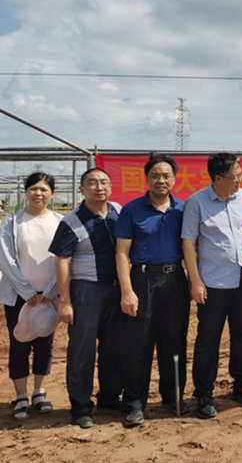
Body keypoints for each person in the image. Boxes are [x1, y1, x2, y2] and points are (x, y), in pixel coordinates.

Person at [182, 153, 242, 419]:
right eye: (235, 176)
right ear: (218, 178)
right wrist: (196, 281)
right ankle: (204, 394)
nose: (240, 180)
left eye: (240, 175)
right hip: (213, 283)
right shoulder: (196, 202)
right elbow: (188, 245)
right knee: (208, 339)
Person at [116, 154, 189, 427]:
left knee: (175, 341)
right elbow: (121, 253)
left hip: (175, 279)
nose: (161, 180)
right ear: (146, 179)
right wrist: (127, 290)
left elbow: (191, 247)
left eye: (166, 175)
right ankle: (135, 403)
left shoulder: (183, 209)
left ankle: (173, 397)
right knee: (139, 343)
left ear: (174, 179)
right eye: (155, 175)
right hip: (142, 280)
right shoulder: (132, 210)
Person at [49, 168, 125, 429]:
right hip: (86, 290)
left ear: (111, 187)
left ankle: (110, 396)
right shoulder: (71, 221)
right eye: (92, 182)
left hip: (117, 289)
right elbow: (62, 261)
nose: (98, 187)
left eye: (104, 182)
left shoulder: (117, 211)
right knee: (82, 350)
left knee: (114, 347)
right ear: (82, 189)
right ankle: (81, 406)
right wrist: (65, 301)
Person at [0, 172, 62, 420]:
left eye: (44, 189)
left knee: (45, 343)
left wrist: (51, 291)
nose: (38, 193)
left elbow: (65, 258)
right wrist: (26, 291)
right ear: (26, 191)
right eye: (33, 188)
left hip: (49, 296)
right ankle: (21, 395)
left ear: (52, 194)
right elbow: (6, 257)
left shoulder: (60, 222)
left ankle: (39, 391)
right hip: (19, 296)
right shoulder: (12, 221)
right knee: (19, 343)